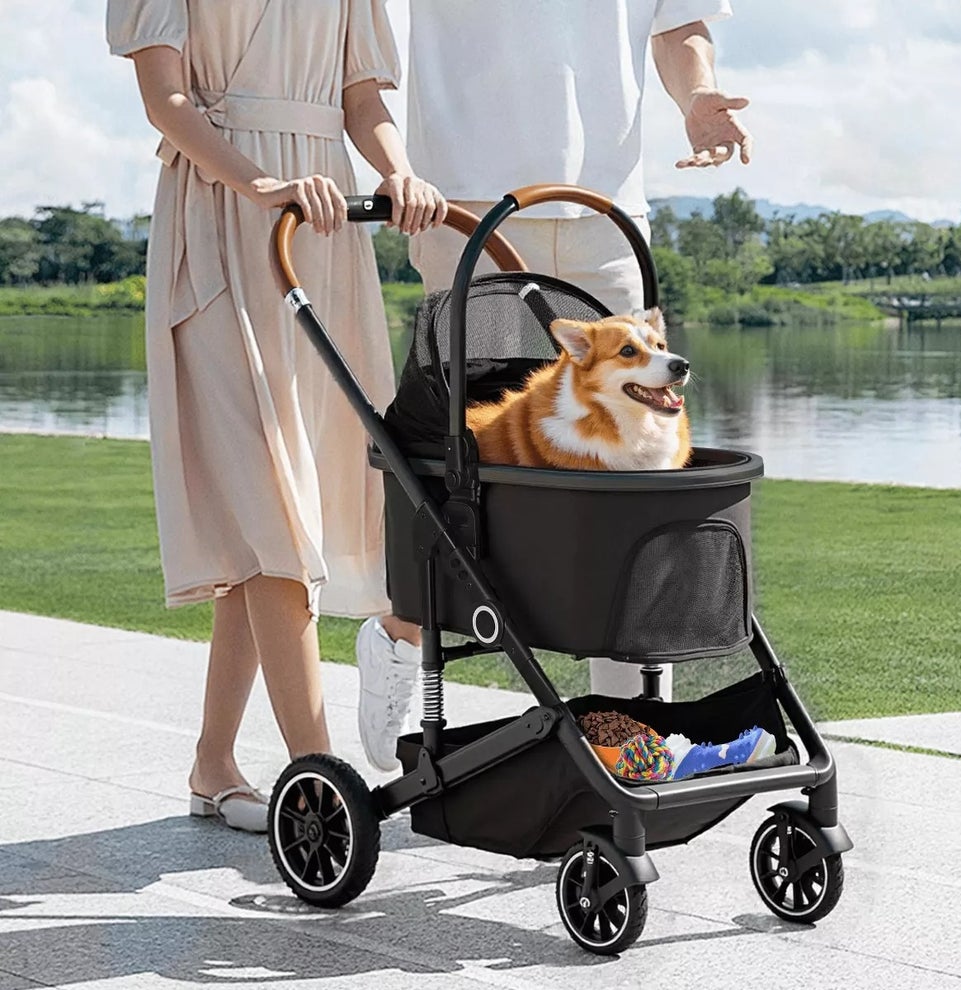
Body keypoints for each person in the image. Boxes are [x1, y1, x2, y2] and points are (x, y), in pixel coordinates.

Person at [356, 0, 753, 771]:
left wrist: (700, 97)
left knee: (635, 469)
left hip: (607, 212)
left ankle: (630, 735)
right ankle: (404, 632)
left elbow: (680, 27)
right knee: (468, 462)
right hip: (466, 200)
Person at [107, 0, 443, 830]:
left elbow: (363, 96)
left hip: (322, 227)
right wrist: (260, 183)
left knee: (281, 519)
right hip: (221, 219)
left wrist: (398, 170)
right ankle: (319, 784)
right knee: (273, 505)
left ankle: (212, 764)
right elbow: (165, 100)